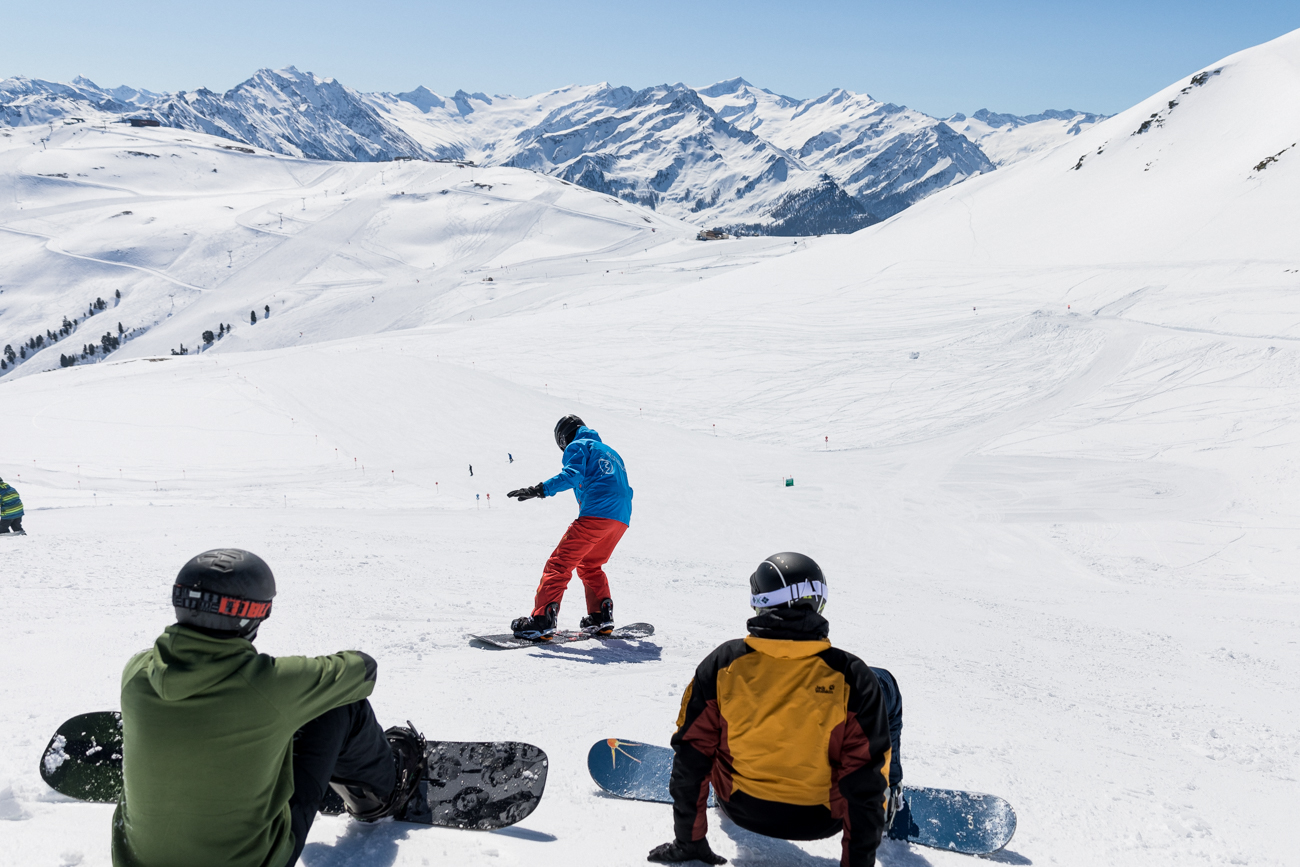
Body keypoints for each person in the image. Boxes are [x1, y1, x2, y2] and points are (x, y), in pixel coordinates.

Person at [112, 549, 426, 867]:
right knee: (337, 707)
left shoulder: (136, 673)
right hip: (253, 861)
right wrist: (295, 682)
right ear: (254, 614)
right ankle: (379, 797)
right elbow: (363, 671)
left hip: (137, 861)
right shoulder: (271, 686)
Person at [649, 553, 903, 867]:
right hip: (822, 818)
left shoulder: (722, 665)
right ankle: (894, 792)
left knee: (707, 736)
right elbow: (864, 781)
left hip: (739, 807)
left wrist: (689, 841)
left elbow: (691, 754)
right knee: (884, 685)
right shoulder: (854, 678)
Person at [506, 415, 633, 639]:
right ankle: (600, 616)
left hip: (597, 514)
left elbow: (571, 475)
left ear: (563, 437)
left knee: (559, 563)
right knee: (590, 565)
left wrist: (539, 490)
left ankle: (542, 620)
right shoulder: (610, 451)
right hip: (620, 518)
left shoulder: (578, 446)